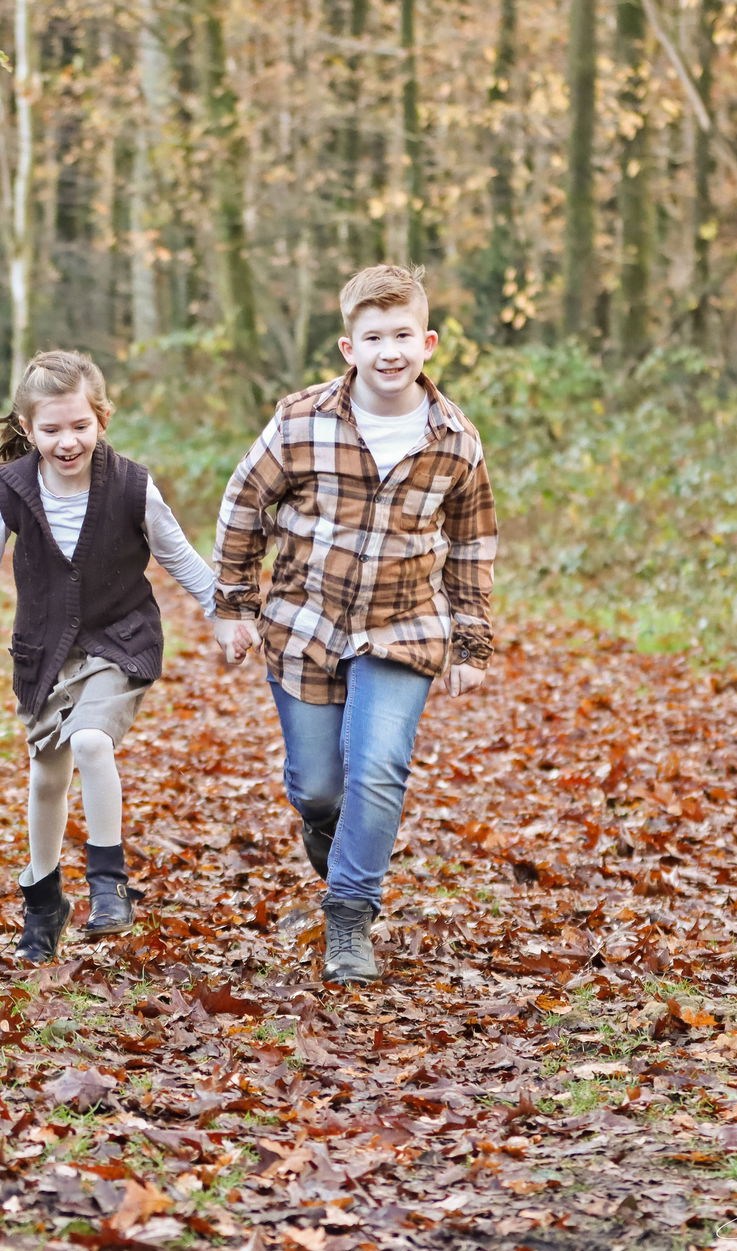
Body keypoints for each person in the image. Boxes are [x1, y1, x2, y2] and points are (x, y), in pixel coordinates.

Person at [211, 264, 497, 985]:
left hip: (405, 626)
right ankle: (327, 828)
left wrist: (471, 642)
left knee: (378, 767)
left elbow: (472, 542)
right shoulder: (300, 420)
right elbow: (243, 505)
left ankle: (349, 915)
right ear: (349, 347)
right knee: (318, 787)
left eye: (403, 335)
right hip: (306, 623)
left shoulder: (455, 440)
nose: (389, 352)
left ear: (428, 342)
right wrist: (234, 605)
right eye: (373, 338)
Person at [0, 350, 215, 963]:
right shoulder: (13, 490)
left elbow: (179, 556)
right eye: (51, 429)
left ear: (102, 418)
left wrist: (226, 613)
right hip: (44, 651)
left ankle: (109, 883)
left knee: (90, 743)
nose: (67, 441)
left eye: (80, 426)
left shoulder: (132, 486)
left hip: (119, 641)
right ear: (28, 429)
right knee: (47, 776)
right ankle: (44, 900)